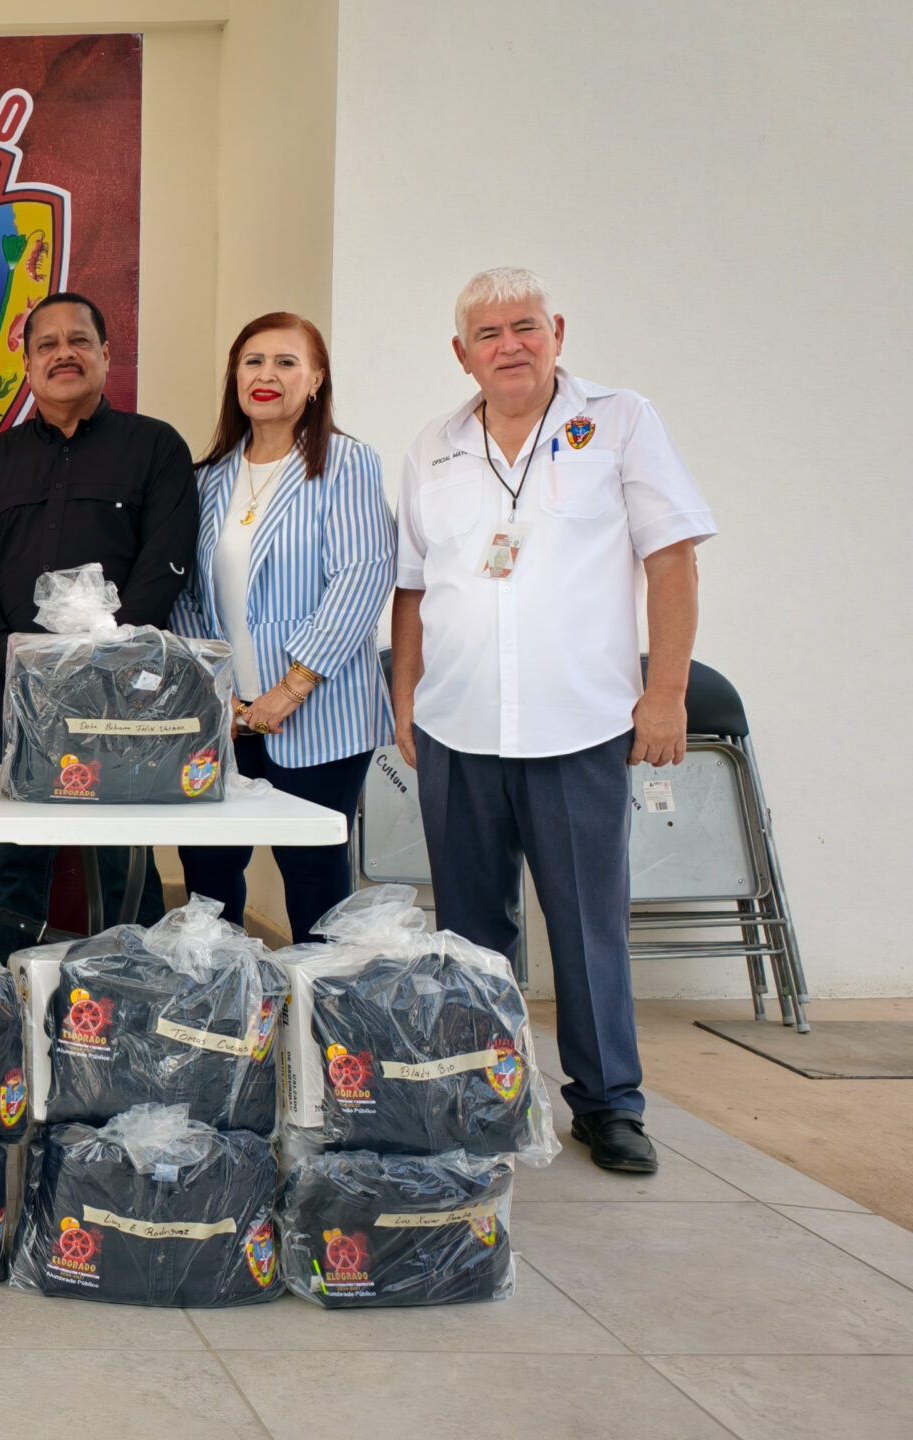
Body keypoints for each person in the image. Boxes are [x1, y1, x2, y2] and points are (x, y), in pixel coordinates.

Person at [392, 267, 713, 1175]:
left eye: (524, 326)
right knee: (468, 932)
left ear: (557, 330)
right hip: (459, 725)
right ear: (463, 353)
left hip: (579, 724)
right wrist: (404, 694)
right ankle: (480, 1094)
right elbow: (413, 586)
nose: (510, 346)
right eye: (488, 335)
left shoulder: (621, 422)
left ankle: (609, 1105)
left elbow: (674, 558)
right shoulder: (435, 446)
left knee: (585, 923)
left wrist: (666, 693)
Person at [0, 292, 198, 957]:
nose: (64, 354)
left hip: (121, 699)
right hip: (18, 699)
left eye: (79, 341)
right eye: (47, 344)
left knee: (124, 864)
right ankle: (11, 1001)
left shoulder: (155, 447)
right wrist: (10, 657)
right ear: (26, 362)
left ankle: (136, 1001)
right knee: (16, 864)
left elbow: (165, 565)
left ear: (107, 355)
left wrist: (99, 659)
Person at [169, 313, 395, 942]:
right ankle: (224, 1015)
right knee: (208, 877)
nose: (267, 375)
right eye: (253, 361)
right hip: (226, 716)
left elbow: (362, 576)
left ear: (317, 380)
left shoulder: (346, 463)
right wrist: (221, 697)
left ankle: (323, 1030)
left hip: (318, 712)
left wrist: (290, 688)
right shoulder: (207, 477)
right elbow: (190, 598)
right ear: (234, 377)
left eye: (287, 362)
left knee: (315, 881)